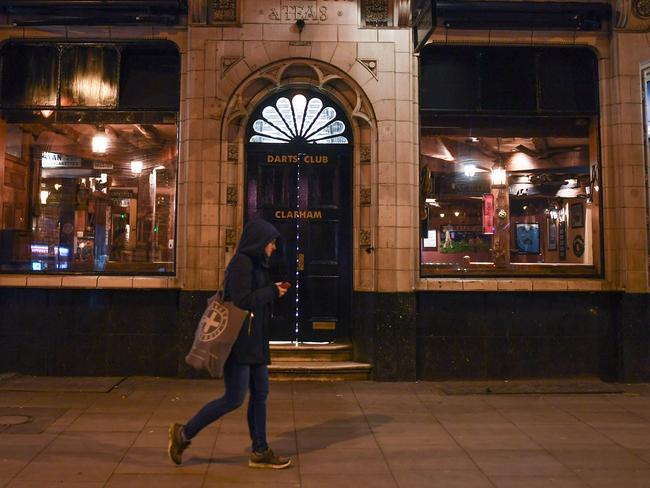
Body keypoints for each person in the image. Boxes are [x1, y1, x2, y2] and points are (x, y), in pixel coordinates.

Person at [168, 218, 291, 469]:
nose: (273, 248)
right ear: (259, 242)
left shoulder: (258, 265)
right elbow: (242, 299)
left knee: (261, 394)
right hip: (239, 343)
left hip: (254, 342)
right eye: (270, 242)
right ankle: (182, 434)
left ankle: (260, 450)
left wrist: (272, 289)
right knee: (234, 398)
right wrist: (271, 292)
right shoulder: (241, 264)